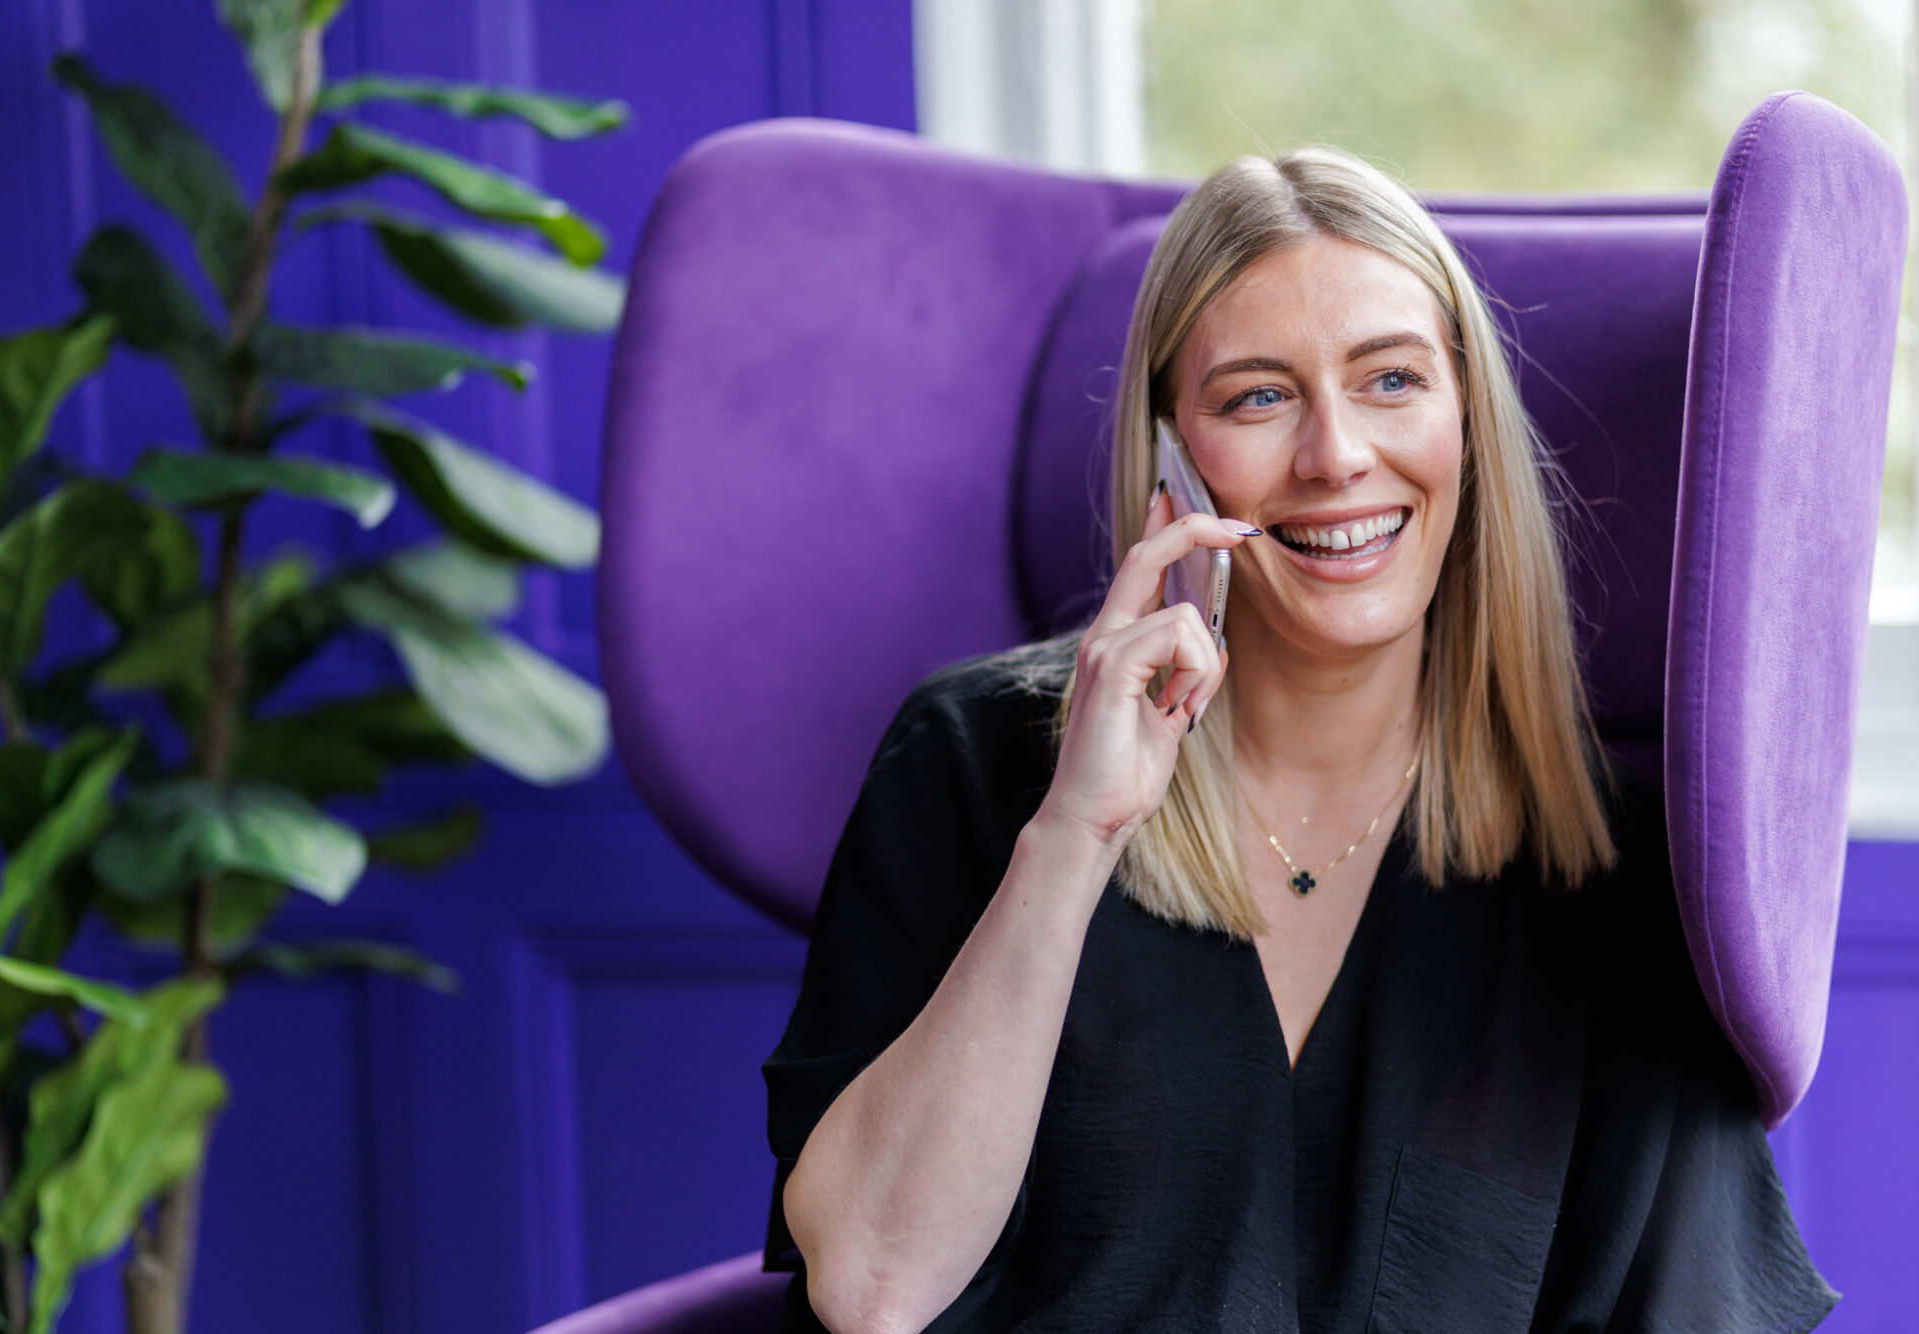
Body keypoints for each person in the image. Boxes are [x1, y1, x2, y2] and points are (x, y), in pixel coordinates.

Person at [761, 146, 1841, 1333]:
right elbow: (871, 1284)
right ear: (1171, 459)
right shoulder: (970, 760)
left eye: (1391, 380)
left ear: (1467, 428)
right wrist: (1073, 836)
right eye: (1257, 397)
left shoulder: (1610, 872)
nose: (1334, 455)